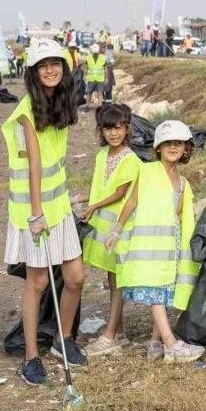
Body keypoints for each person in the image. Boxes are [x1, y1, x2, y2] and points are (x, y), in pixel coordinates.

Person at [1, 38, 85, 386]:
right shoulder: (26, 112)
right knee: (37, 282)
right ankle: (31, 357)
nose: (50, 70)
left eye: (55, 64)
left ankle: (62, 341)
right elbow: (35, 166)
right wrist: (36, 215)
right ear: (33, 73)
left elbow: (54, 163)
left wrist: (69, 199)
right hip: (33, 212)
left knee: (76, 277)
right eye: (42, 66)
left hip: (59, 204)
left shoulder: (60, 104)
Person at [105, 120, 205, 363]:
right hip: (150, 245)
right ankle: (171, 344)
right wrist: (117, 229)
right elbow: (132, 201)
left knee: (165, 292)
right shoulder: (148, 171)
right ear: (158, 148)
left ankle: (155, 340)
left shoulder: (182, 183)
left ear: (186, 149)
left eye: (178, 143)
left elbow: (179, 212)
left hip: (170, 245)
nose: (173, 147)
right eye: (168, 143)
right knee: (157, 294)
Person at [77, 104, 141, 356]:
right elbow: (99, 188)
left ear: (126, 129)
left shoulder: (130, 159)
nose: (113, 133)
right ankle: (119, 331)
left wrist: (92, 205)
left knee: (117, 281)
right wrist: (80, 199)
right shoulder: (102, 156)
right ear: (100, 131)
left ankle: (110, 336)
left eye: (118, 128)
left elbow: (119, 193)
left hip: (120, 228)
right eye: (108, 128)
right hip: (103, 229)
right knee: (112, 278)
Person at [83, 44, 106, 112]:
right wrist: (84, 75)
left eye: (96, 53)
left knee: (100, 92)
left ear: (98, 51)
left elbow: (105, 68)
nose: (95, 54)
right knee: (89, 92)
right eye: (94, 53)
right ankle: (87, 106)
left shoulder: (103, 57)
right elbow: (86, 68)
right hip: (91, 78)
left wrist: (106, 77)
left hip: (100, 78)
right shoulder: (88, 57)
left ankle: (100, 107)